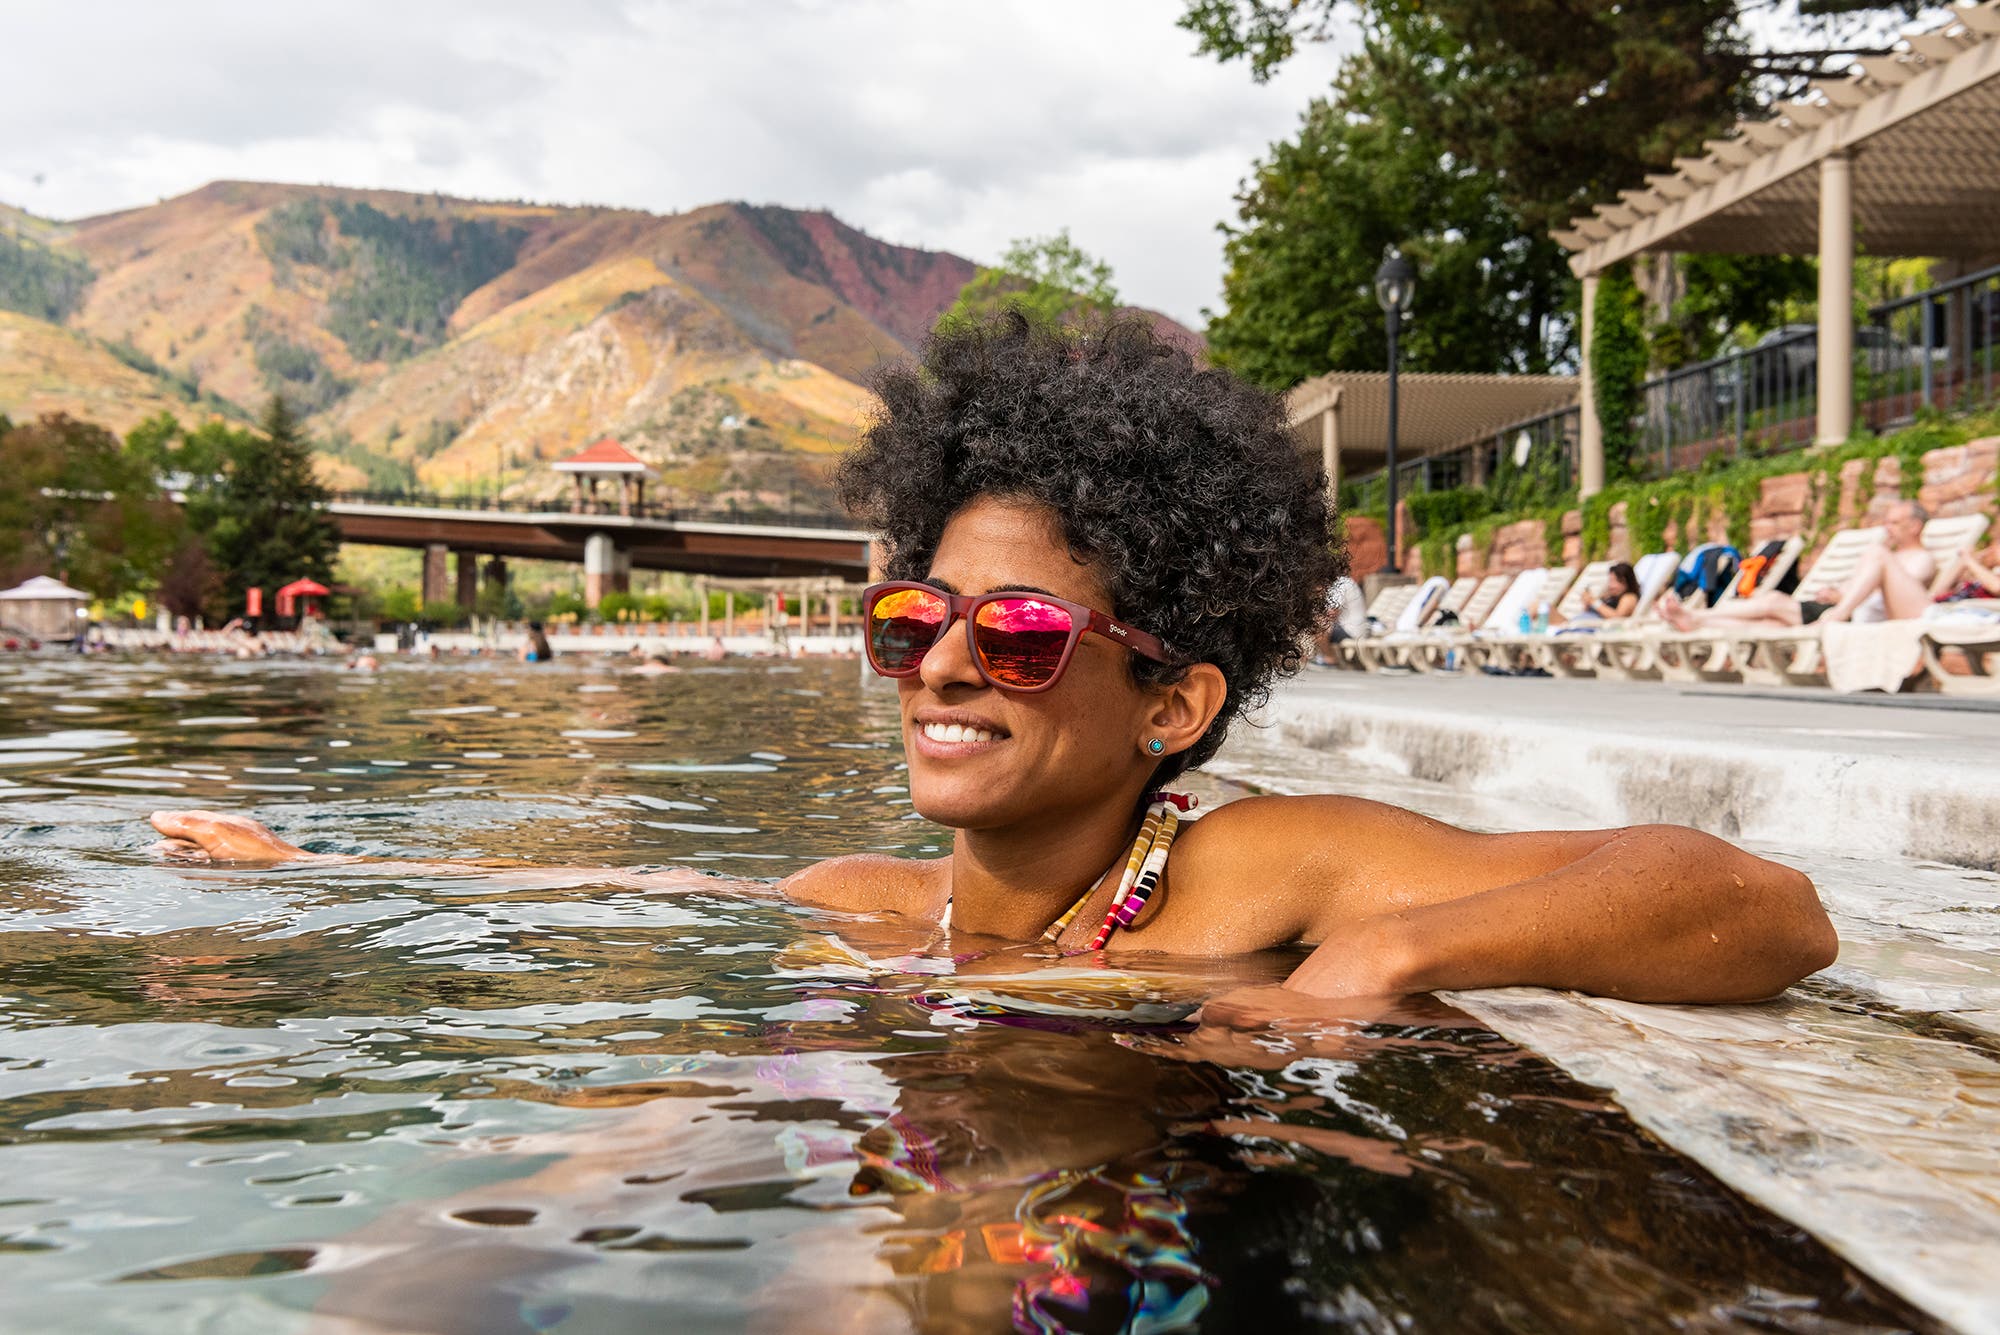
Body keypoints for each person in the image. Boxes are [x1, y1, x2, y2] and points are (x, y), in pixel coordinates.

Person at [148, 315, 1835, 1015]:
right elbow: (636, 881)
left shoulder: (1258, 868)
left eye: (1018, 634)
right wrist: (308, 867)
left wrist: (1386, 952)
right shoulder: (870, 899)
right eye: (915, 620)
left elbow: (1756, 901)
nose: (943, 668)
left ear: (1174, 701)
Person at [1658, 500, 1937, 631]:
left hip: (1852, 617)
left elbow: (1887, 598)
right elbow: (1865, 590)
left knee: (1772, 601)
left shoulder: (1919, 559)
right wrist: (1837, 593)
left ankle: (1698, 616)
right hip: (1845, 611)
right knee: (1769, 626)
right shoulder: (1889, 558)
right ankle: (1697, 621)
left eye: (1894, 523)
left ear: (1915, 526)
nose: (1887, 528)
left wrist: (1840, 602)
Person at [1557, 561, 1639, 624]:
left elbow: (1617, 618)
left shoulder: (1629, 597)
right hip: (1579, 623)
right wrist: (1588, 603)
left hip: (1590, 629)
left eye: (1616, 581)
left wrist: (1594, 602)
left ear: (1627, 582)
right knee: (1549, 609)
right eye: (1610, 580)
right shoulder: (1610, 596)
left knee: (1550, 611)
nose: (1611, 585)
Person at [1313, 575, 1367, 662]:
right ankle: (1314, 657)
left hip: (1352, 631)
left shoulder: (1341, 584)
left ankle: (1330, 658)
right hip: (1351, 628)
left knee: (1318, 627)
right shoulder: (1342, 582)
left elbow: (1331, 613)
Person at [1930, 539, 2000, 604]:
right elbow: (1937, 592)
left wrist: (1969, 560)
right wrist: (1964, 563)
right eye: (1995, 544)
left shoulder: (1991, 579)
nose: (1992, 548)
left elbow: (1997, 587)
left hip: (1965, 609)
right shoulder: (1985, 573)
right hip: (1946, 606)